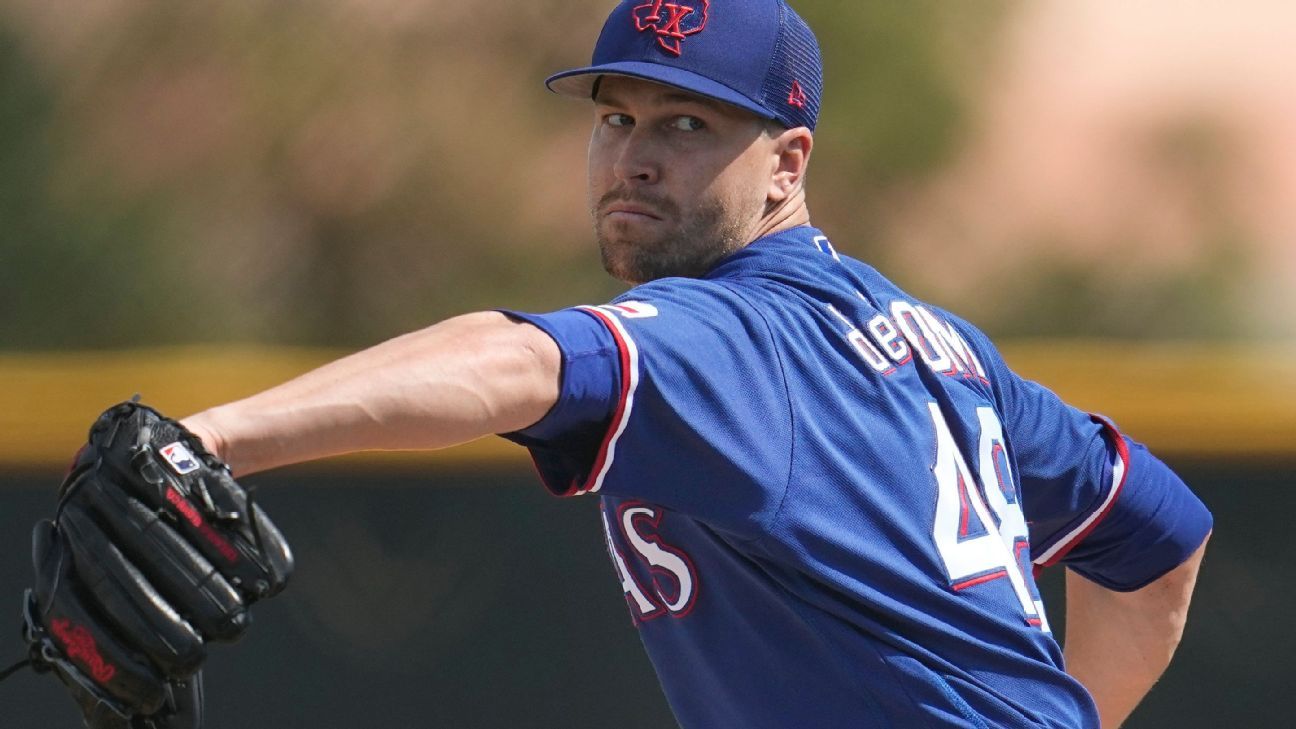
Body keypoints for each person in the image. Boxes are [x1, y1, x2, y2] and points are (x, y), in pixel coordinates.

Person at [181, 1, 1212, 727]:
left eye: (687, 124)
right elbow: (1158, 542)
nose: (634, 154)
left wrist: (211, 438)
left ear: (787, 164)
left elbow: (519, 363)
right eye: (616, 118)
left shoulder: (744, 337)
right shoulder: (943, 351)